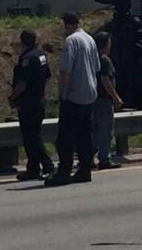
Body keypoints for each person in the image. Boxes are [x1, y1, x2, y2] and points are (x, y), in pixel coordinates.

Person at [45, 12, 100, 186]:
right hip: (90, 93)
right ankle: (85, 169)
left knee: (65, 136)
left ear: (66, 25)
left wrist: (64, 94)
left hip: (74, 95)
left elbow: (65, 71)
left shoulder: (71, 41)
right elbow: (97, 66)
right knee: (85, 134)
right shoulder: (89, 39)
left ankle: (64, 171)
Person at [8, 30, 55, 181]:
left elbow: (22, 83)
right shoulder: (41, 55)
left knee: (31, 138)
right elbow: (47, 77)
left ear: (22, 42)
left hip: (29, 103)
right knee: (32, 136)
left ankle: (48, 166)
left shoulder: (27, 59)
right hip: (39, 100)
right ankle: (33, 168)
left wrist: (13, 97)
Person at [92, 32, 123, 170]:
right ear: (106, 44)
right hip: (104, 100)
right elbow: (105, 80)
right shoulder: (104, 60)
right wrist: (116, 97)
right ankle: (104, 159)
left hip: (92, 99)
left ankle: (87, 158)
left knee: (93, 131)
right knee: (105, 131)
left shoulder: (92, 58)